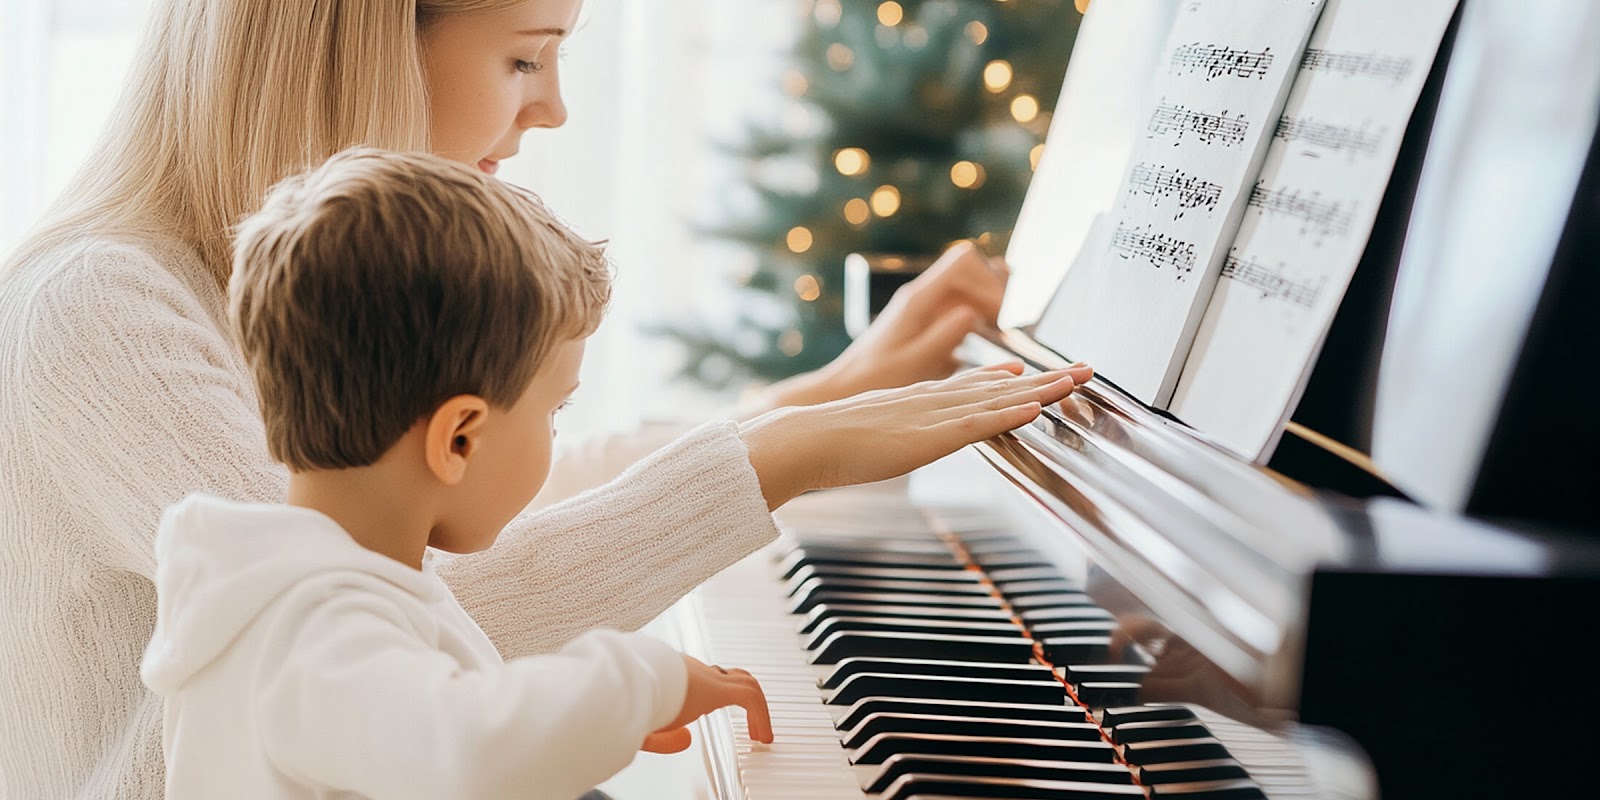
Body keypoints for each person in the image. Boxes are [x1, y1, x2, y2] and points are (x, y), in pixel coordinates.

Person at [0, 1, 1081, 795]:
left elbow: (461, 497)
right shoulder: (102, 309)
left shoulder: (274, 292)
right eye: (525, 57)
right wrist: (779, 460)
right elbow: (396, 609)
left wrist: (825, 396)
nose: (554, 107)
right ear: (358, 47)